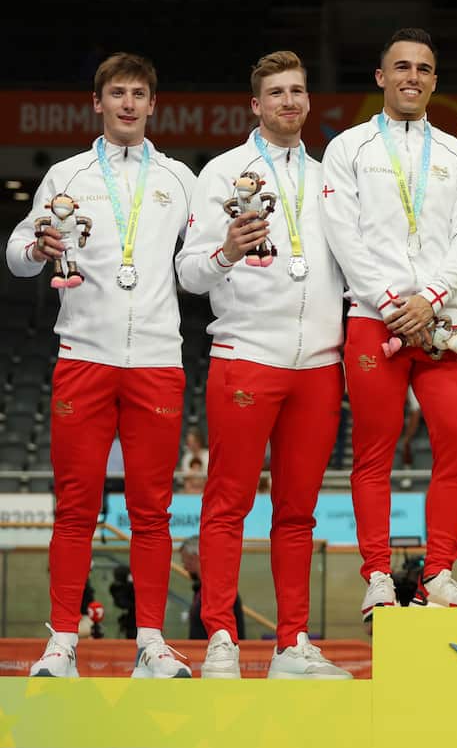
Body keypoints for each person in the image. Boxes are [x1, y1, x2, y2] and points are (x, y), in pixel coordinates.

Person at [8, 52, 194, 678]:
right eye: (118, 93)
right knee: (75, 508)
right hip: (83, 356)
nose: (129, 103)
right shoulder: (66, 175)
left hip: (157, 362)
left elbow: (197, 264)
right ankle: (62, 642)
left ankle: (150, 641)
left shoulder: (177, 177)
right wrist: (37, 244)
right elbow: (16, 254)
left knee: (151, 510)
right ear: (98, 102)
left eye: (140, 93)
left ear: (152, 104)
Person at [176, 50, 350, 680]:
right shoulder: (222, 172)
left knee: (299, 511)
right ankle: (221, 636)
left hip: (319, 364)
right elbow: (188, 273)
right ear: (256, 104)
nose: (288, 101)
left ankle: (291, 645)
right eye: (275, 92)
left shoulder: (331, 174)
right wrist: (225, 250)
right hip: (247, 355)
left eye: (298, 91)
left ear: (308, 102)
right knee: (227, 504)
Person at [322, 28, 457, 620]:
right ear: (381, 77)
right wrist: (397, 303)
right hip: (375, 318)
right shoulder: (349, 148)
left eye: (423, 68)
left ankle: (438, 573)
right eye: (401, 67)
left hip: (447, 318)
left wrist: (433, 298)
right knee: (373, 452)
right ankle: (377, 576)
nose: (412, 77)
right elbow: (343, 233)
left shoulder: (456, 155)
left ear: (434, 80)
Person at [179, 536, 245, 642]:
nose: (185, 567)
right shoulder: (200, 591)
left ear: (195, 557)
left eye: (185, 561)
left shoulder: (219, 591)